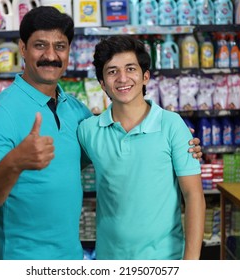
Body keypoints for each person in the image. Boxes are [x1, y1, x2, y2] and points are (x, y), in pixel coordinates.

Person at [0, 6, 202, 260]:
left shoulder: (77, 112)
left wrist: (182, 144)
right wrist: (15, 163)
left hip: (72, 256)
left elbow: (106, 152)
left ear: (69, 51)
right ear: (23, 48)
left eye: (59, 46)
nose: (51, 55)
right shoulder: (1, 113)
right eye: (40, 45)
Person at [77, 35, 206, 260]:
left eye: (130, 69)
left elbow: (193, 195)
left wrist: (191, 264)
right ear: (102, 83)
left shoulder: (172, 125)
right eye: (112, 71)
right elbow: (63, 168)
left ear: (145, 76)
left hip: (165, 260)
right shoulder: (89, 131)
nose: (122, 78)